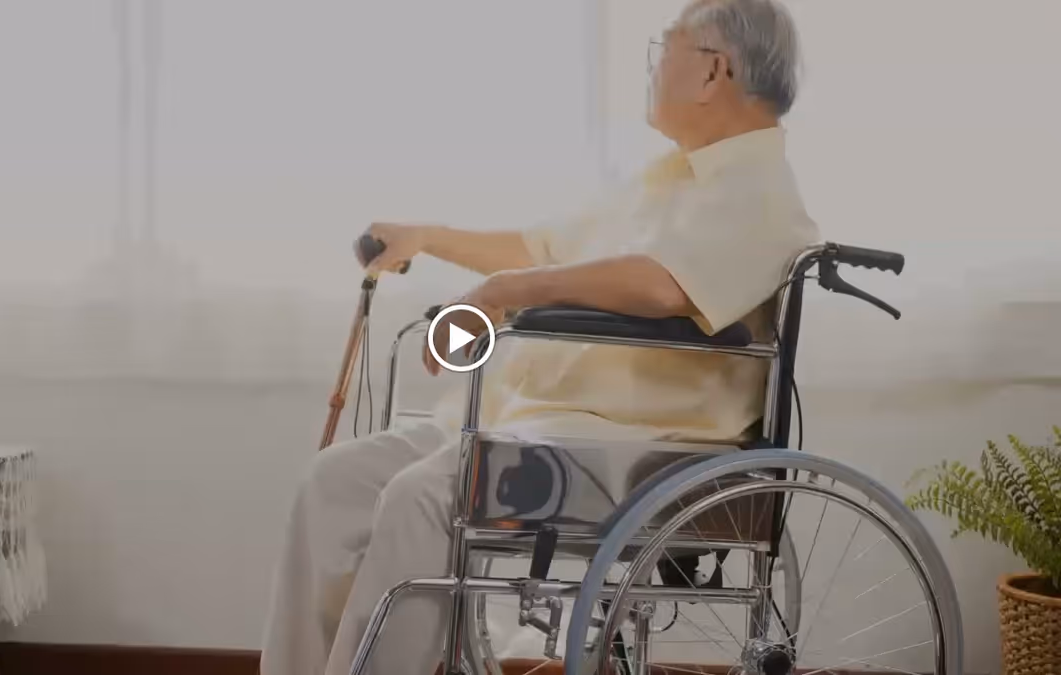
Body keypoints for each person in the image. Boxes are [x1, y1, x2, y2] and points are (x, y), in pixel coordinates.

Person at [260, 0, 819, 673]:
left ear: (714, 71)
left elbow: (663, 284)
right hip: (537, 424)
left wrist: (507, 293)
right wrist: (429, 237)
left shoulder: (756, 188)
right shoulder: (668, 180)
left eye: (664, 47)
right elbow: (541, 247)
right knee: (334, 482)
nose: (653, 64)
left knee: (421, 498)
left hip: (636, 445)